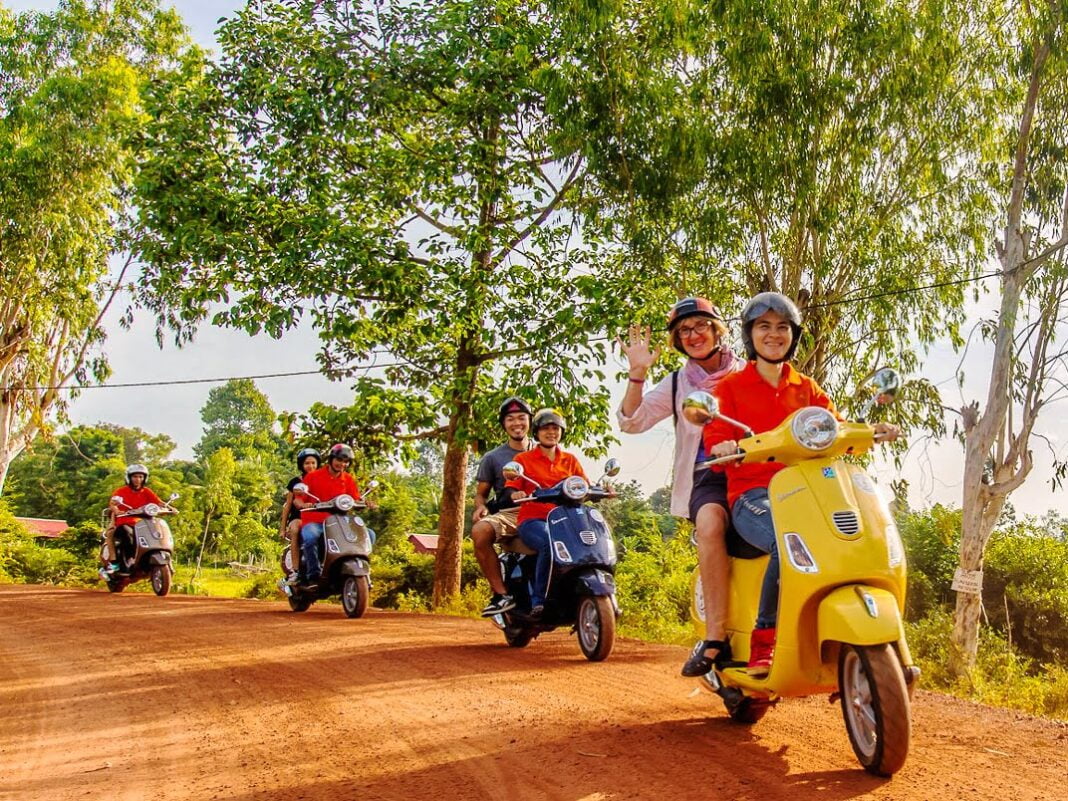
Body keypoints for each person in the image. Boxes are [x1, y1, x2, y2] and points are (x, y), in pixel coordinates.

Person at [703, 292, 899, 674]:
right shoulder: (729, 388)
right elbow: (714, 442)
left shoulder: (808, 390)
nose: (773, 335)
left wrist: (872, 431)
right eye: (764, 327)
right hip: (753, 495)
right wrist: (726, 444)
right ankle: (764, 640)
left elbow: (838, 430)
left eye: (782, 328)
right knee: (788, 542)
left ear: (793, 335)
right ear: (750, 335)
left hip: (810, 493)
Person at [617, 297, 743, 676]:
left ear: (717, 330)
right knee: (709, 526)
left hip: (758, 469)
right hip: (708, 476)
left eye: (700, 326)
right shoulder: (676, 384)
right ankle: (716, 638)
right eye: (684, 331)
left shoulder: (749, 373)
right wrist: (637, 374)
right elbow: (631, 422)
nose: (693, 335)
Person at [504, 408, 590, 618]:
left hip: (567, 519)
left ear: (561, 432)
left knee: (588, 544)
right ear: (537, 433)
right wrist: (516, 493)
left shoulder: (569, 460)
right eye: (545, 429)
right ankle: (539, 602)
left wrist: (602, 490)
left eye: (555, 428)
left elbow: (583, 484)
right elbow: (512, 484)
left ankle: (577, 592)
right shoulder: (523, 459)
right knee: (548, 544)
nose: (551, 432)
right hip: (534, 519)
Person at [472, 397, 533, 617]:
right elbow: (481, 494)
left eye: (521, 417)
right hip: (511, 513)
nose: (517, 423)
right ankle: (501, 595)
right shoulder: (493, 457)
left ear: (530, 421)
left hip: (546, 511)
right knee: (480, 532)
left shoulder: (545, 450)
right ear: (503, 424)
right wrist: (481, 508)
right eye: (510, 419)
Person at [294, 443, 364, 587]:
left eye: (346, 461)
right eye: (339, 460)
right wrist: (302, 504)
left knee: (368, 535)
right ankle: (313, 575)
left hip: (341, 522)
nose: (342, 464)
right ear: (331, 459)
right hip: (316, 521)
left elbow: (355, 499)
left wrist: (365, 503)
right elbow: (298, 498)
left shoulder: (348, 479)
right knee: (310, 537)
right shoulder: (313, 476)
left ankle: (348, 568)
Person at [102, 464, 166, 576]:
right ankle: (127, 562)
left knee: (156, 534)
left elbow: (158, 502)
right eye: (135, 477)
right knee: (127, 535)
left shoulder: (146, 491)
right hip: (124, 522)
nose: (138, 479)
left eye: (141, 477)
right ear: (129, 478)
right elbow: (113, 503)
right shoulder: (122, 491)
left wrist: (170, 507)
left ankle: (146, 559)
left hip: (143, 523)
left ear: (145, 478)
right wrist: (116, 511)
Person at [281, 447, 321, 586]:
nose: (310, 466)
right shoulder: (296, 482)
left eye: (313, 463)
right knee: (296, 529)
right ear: (302, 465)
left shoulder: (324, 481)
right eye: (307, 463)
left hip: (318, 517)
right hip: (299, 517)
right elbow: (288, 505)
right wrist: (282, 528)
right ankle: (296, 571)